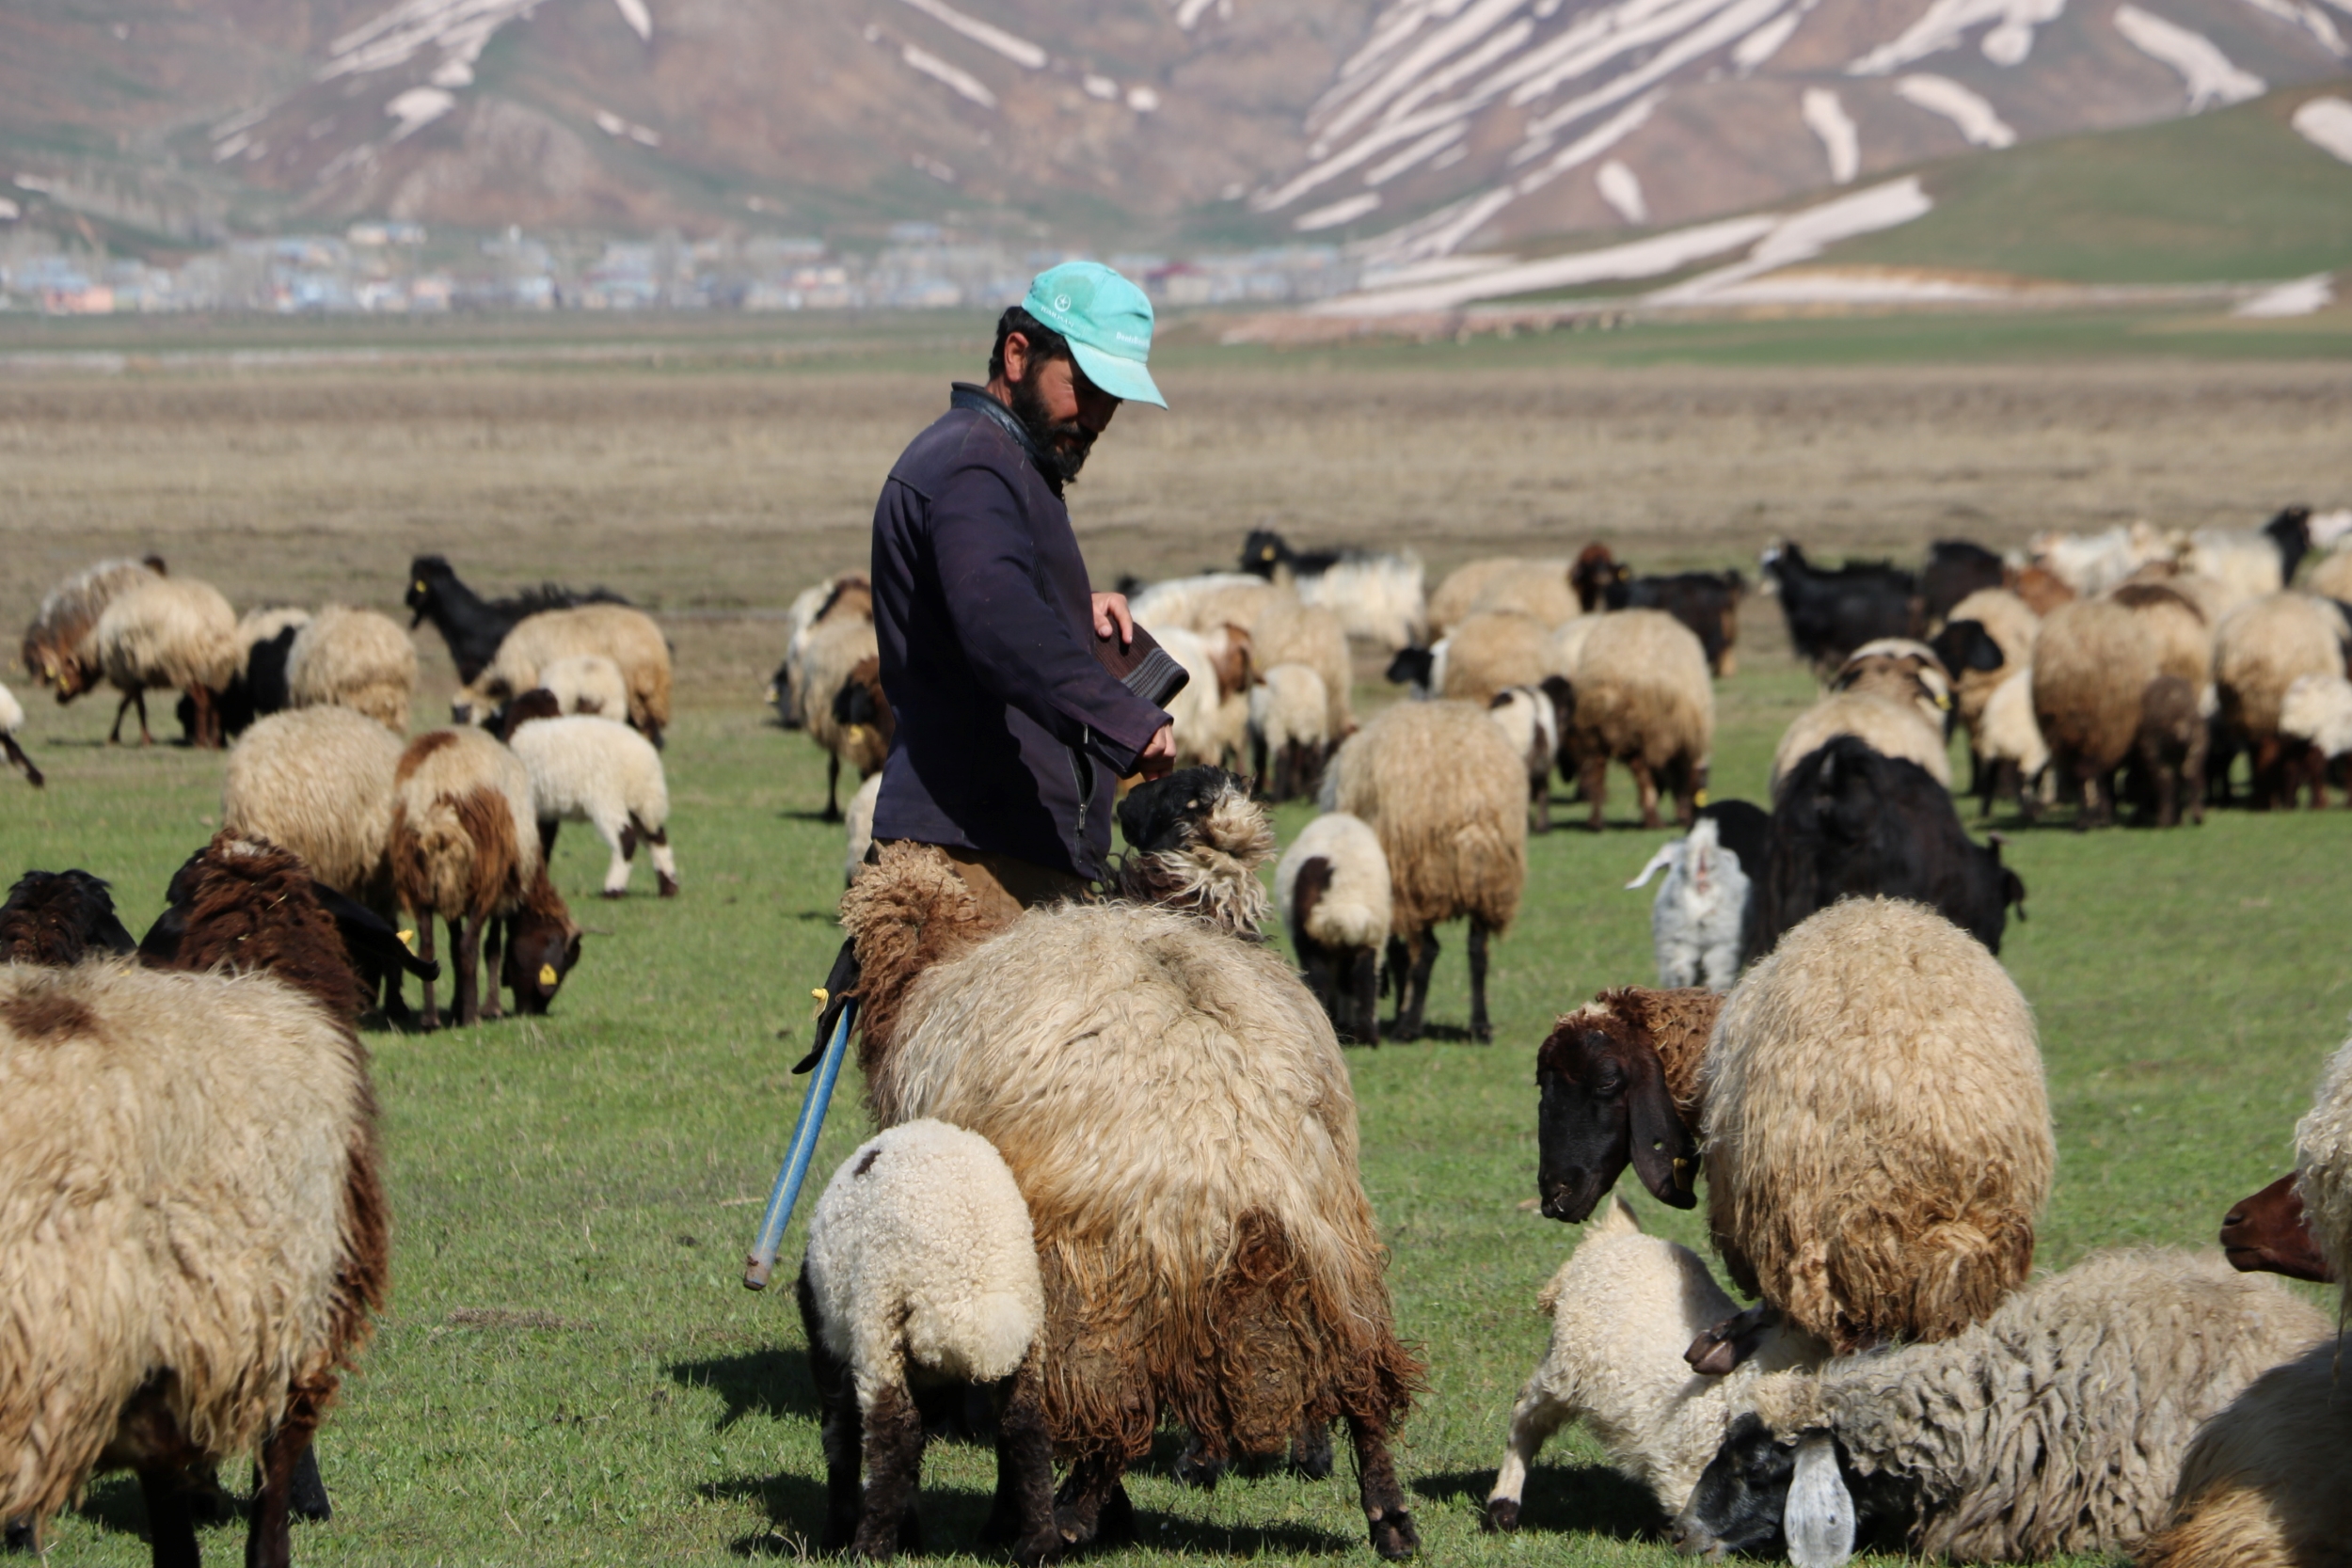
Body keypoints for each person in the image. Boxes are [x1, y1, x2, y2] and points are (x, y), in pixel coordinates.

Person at [865, 261, 1178, 926]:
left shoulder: (997, 464)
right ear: (1017, 355)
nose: (1096, 416)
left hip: (996, 846)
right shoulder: (977, 464)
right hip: (977, 861)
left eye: (1112, 398)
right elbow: (996, 620)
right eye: (1085, 386)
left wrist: (1068, 609)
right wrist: (1126, 722)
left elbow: (986, 596)